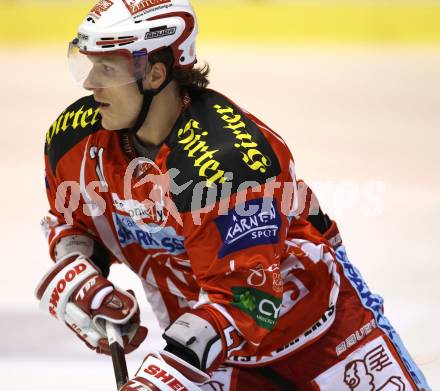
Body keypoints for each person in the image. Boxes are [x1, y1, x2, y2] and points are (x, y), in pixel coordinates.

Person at [35, 1, 430, 390]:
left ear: (155, 75)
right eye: (88, 64)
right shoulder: (75, 141)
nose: (90, 83)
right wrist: (85, 276)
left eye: (107, 68)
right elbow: (74, 221)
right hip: (215, 356)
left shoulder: (223, 162)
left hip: (325, 334)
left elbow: (249, 298)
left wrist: (165, 377)